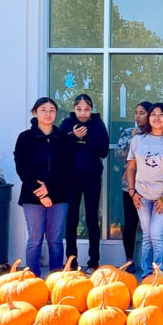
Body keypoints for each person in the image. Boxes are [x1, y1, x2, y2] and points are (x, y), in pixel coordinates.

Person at [13, 97, 72, 277]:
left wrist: (50, 189)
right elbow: (22, 167)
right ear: (35, 112)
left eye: (52, 110)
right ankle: (33, 279)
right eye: (43, 110)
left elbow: (68, 168)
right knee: (35, 239)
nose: (48, 114)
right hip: (32, 197)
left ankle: (56, 279)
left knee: (55, 239)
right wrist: (40, 192)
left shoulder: (63, 138)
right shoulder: (25, 138)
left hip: (59, 196)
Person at [125, 102, 163, 275]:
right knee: (147, 236)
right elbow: (131, 168)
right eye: (153, 114)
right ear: (148, 118)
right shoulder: (138, 140)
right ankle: (147, 273)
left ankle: (160, 274)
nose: (157, 118)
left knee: (157, 234)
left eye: (161, 115)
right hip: (141, 195)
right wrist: (132, 191)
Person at [58, 94, 109, 271]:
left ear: (92, 109)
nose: (83, 113)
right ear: (74, 108)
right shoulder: (66, 123)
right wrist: (72, 136)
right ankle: (71, 261)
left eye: (87, 109)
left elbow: (104, 151)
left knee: (92, 218)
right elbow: (58, 149)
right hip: (70, 178)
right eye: (79, 109)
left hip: (92, 178)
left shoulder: (97, 124)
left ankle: (93, 261)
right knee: (71, 218)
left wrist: (87, 137)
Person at [115, 101, 150, 272]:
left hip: (151, 186)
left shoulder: (156, 133)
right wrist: (132, 141)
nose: (137, 116)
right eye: (136, 112)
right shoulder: (129, 132)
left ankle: (150, 261)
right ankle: (129, 260)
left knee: (150, 225)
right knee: (130, 222)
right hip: (130, 185)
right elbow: (118, 156)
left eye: (142, 112)